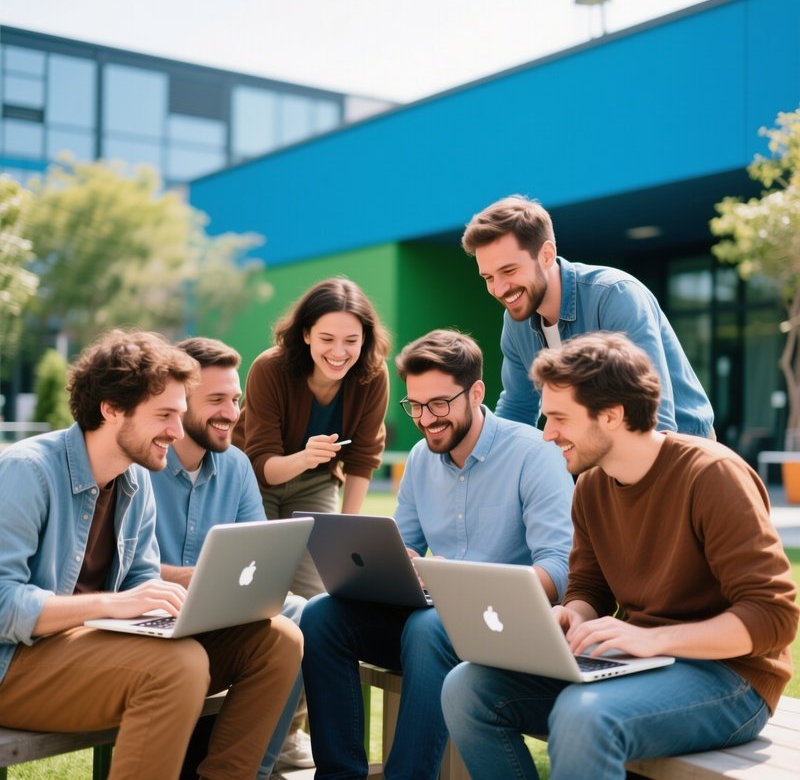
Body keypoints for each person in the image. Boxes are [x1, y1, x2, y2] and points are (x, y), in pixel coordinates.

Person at [441, 332, 799, 780]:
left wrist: (654, 640)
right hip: (638, 661)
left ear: (611, 416)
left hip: (731, 679)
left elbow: (774, 616)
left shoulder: (713, 476)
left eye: (558, 419)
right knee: (467, 688)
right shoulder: (590, 487)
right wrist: (573, 614)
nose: (546, 434)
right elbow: (590, 588)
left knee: (584, 714)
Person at [0, 330, 303, 780]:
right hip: (15, 666)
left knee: (278, 640)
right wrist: (110, 604)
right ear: (111, 408)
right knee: (178, 666)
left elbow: (142, 584)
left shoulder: (134, 481)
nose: (177, 432)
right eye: (164, 415)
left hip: (92, 653)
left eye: (180, 415)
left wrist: (183, 606)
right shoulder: (28, 471)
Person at [300, 329, 574, 780]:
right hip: (433, 625)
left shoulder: (533, 455)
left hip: (506, 629)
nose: (426, 420)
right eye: (416, 406)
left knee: (429, 626)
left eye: (440, 404)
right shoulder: (423, 459)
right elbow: (403, 543)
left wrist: (462, 583)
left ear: (477, 392)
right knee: (321, 615)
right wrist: (395, 564)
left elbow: (559, 572)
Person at [149, 337, 311, 777]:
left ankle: (252, 771)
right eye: (216, 399)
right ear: (180, 403)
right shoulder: (143, 463)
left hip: (216, 622)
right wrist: (190, 578)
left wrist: (227, 581)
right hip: (149, 623)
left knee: (297, 610)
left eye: (235, 399)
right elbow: (123, 569)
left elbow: (255, 557)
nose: (231, 412)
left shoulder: (237, 466)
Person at [461, 194, 715, 437]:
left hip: (681, 450)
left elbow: (654, 418)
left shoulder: (615, 296)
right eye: (489, 277)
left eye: (509, 270)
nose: (500, 289)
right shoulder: (516, 323)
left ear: (546, 255)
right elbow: (517, 410)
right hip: (600, 453)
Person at [237, 277, 391, 597]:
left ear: (365, 339)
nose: (339, 352)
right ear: (306, 334)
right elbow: (260, 463)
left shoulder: (373, 376)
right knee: (260, 581)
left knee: (316, 594)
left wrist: (346, 530)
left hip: (316, 482)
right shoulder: (269, 368)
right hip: (254, 482)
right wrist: (305, 457)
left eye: (351, 340)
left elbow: (364, 455)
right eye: (326, 338)